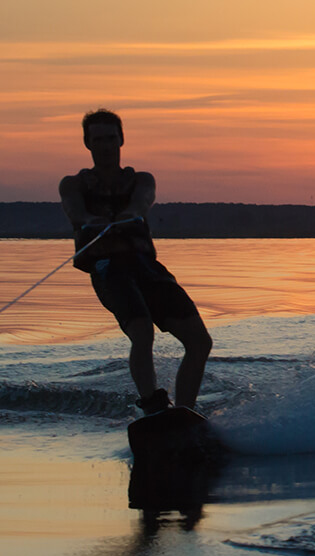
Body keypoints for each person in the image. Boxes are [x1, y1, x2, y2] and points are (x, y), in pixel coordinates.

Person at [60, 109, 212, 415]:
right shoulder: (73, 184)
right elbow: (77, 213)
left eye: (111, 138)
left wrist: (132, 213)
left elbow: (143, 200)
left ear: (122, 140)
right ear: (87, 144)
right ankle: (154, 407)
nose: (105, 145)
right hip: (108, 268)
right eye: (98, 139)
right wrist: (92, 220)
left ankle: (185, 413)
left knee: (200, 341)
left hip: (144, 266)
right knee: (142, 330)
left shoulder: (141, 180)